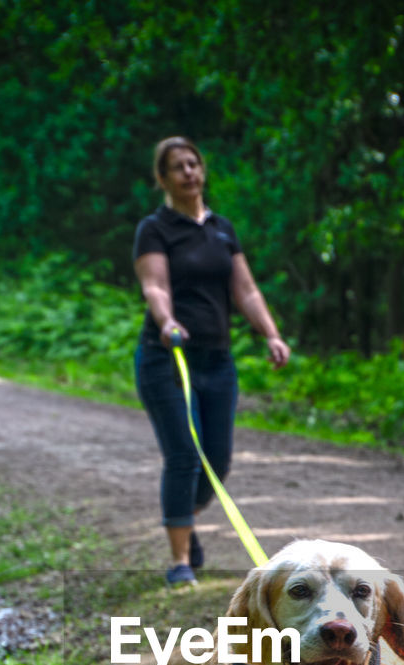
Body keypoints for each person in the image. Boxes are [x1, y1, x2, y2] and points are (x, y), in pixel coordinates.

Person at [133, 136, 290, 586]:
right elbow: (155, 286)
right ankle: (180, 561)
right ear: (162, 178)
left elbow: (246, 290)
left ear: (202, 170)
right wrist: (166, 321)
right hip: (168, 358)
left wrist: (272, 335)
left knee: (216, 462)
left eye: (193, 164)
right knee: (183, 453)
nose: (188, 172)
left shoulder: (222, 228)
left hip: (217, 361)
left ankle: (182, 515)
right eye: (177, 167)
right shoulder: (155, 228)